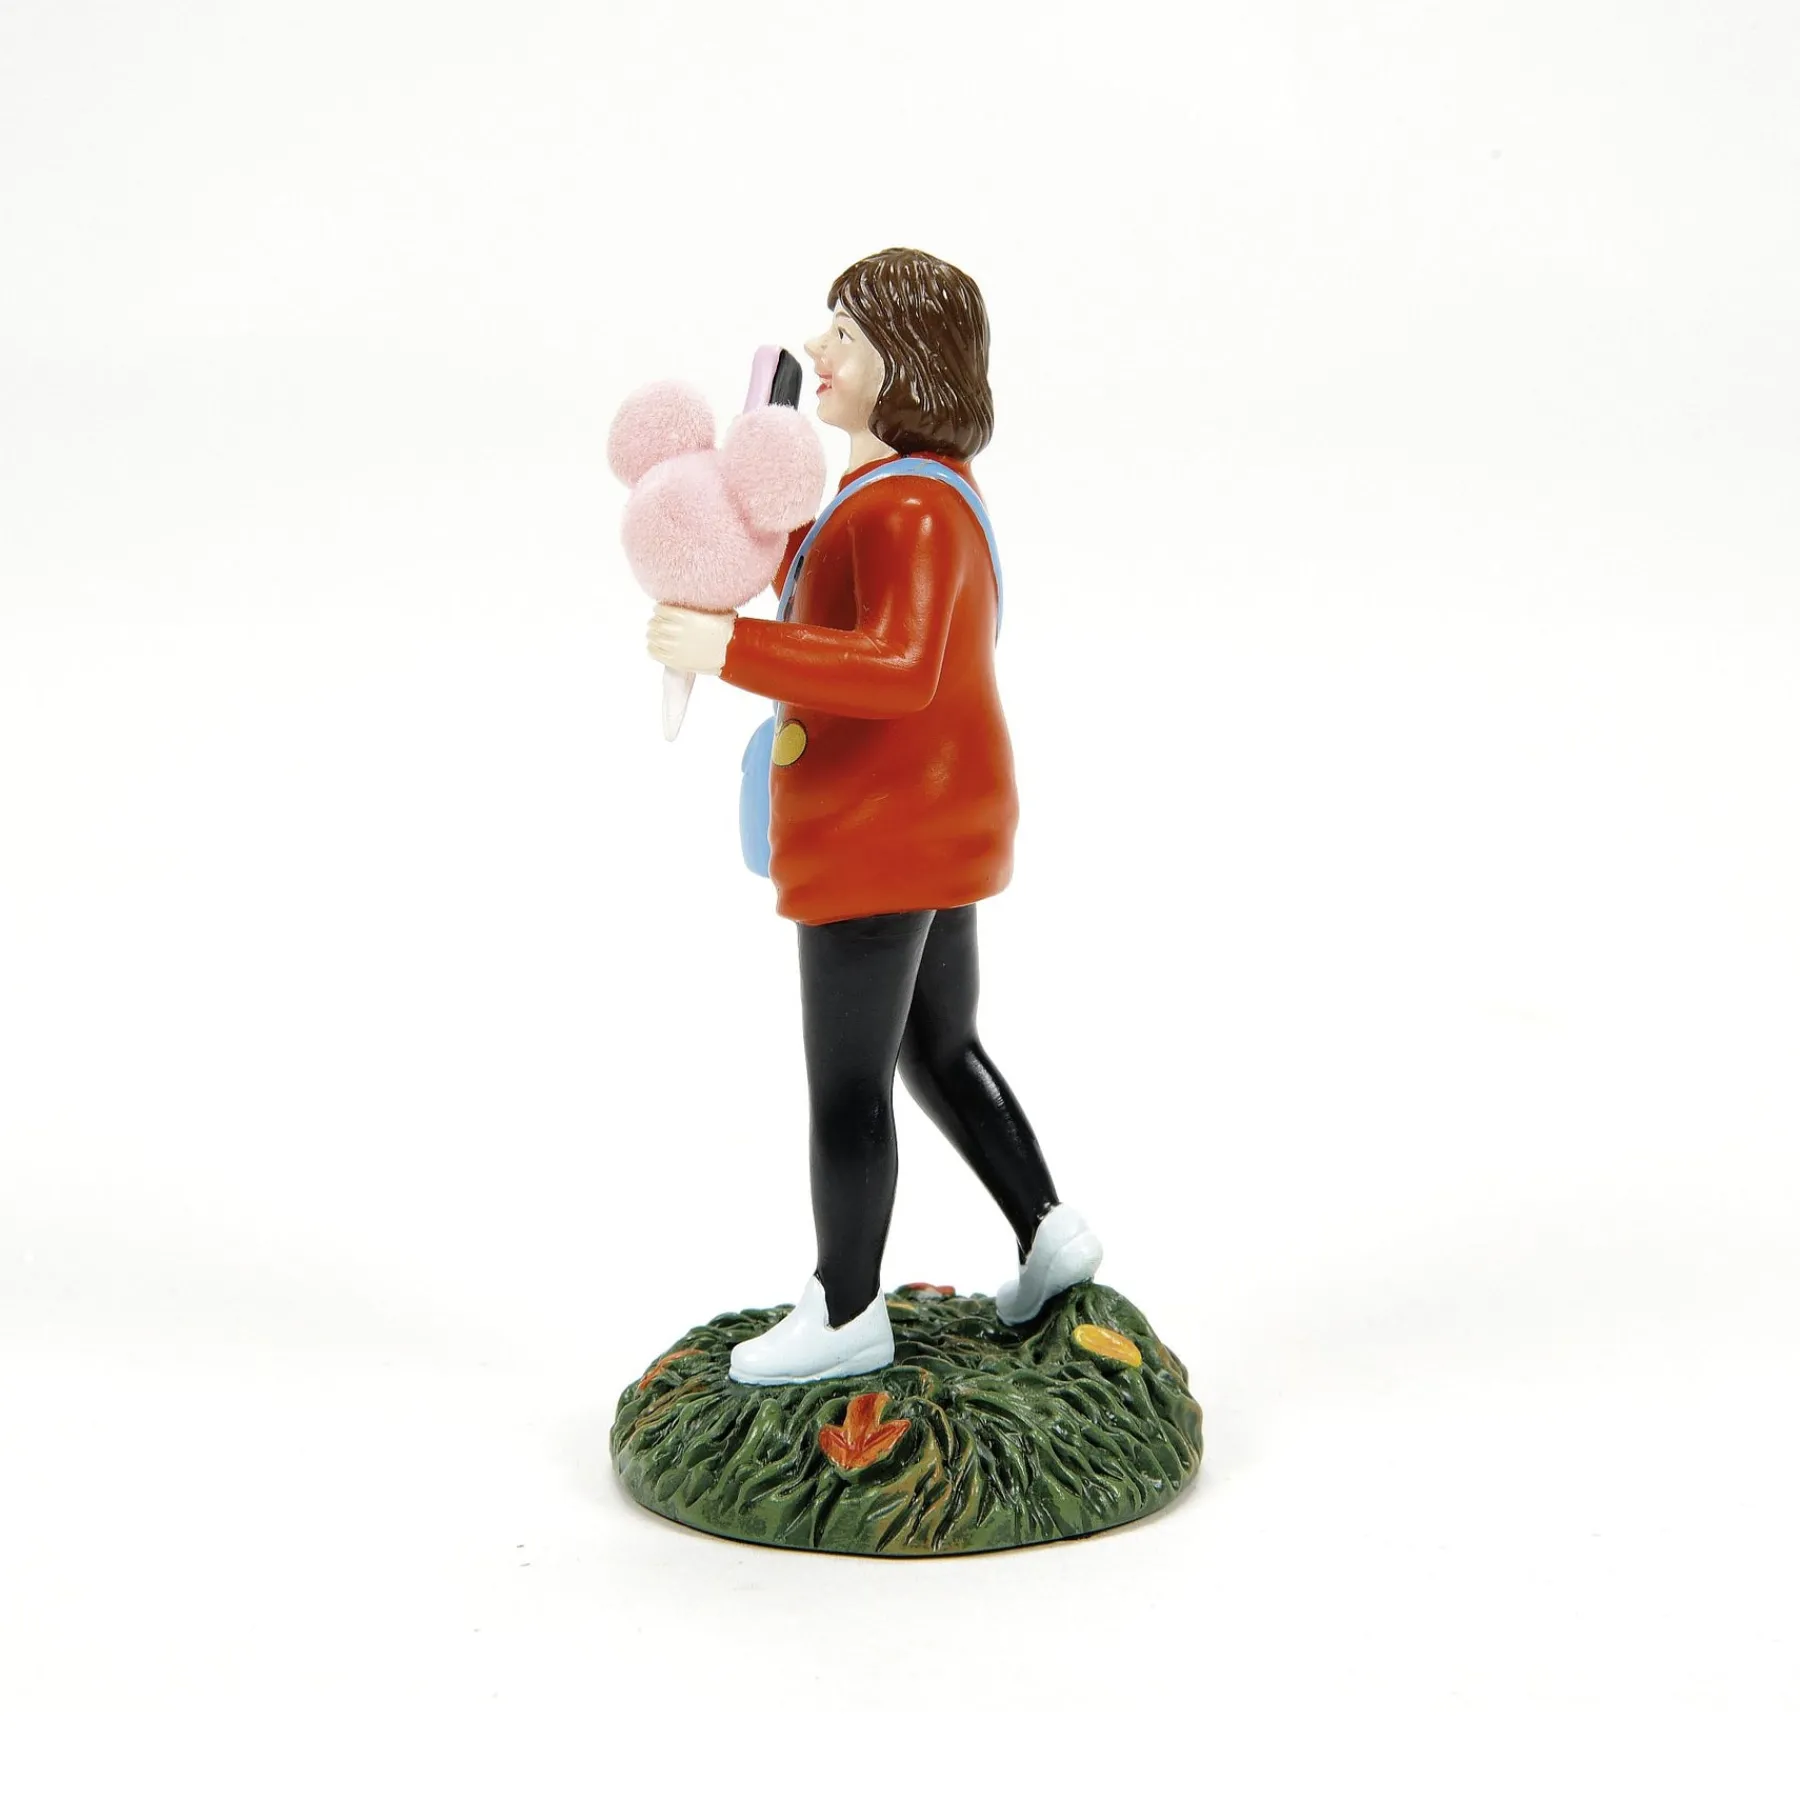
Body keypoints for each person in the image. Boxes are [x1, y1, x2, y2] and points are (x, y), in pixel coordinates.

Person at [645, 247, 1101, 1384]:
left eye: (846, 333)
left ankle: (846, 1310)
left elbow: (899, 665)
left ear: (908, 360)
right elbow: (837, 608)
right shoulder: (891, 493)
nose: (820, 349)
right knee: (937, 1047)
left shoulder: (913, 509)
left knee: (848, 1085)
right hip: (930, 825)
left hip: (880, 834)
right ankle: (1047, 1233)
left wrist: (732, 647)